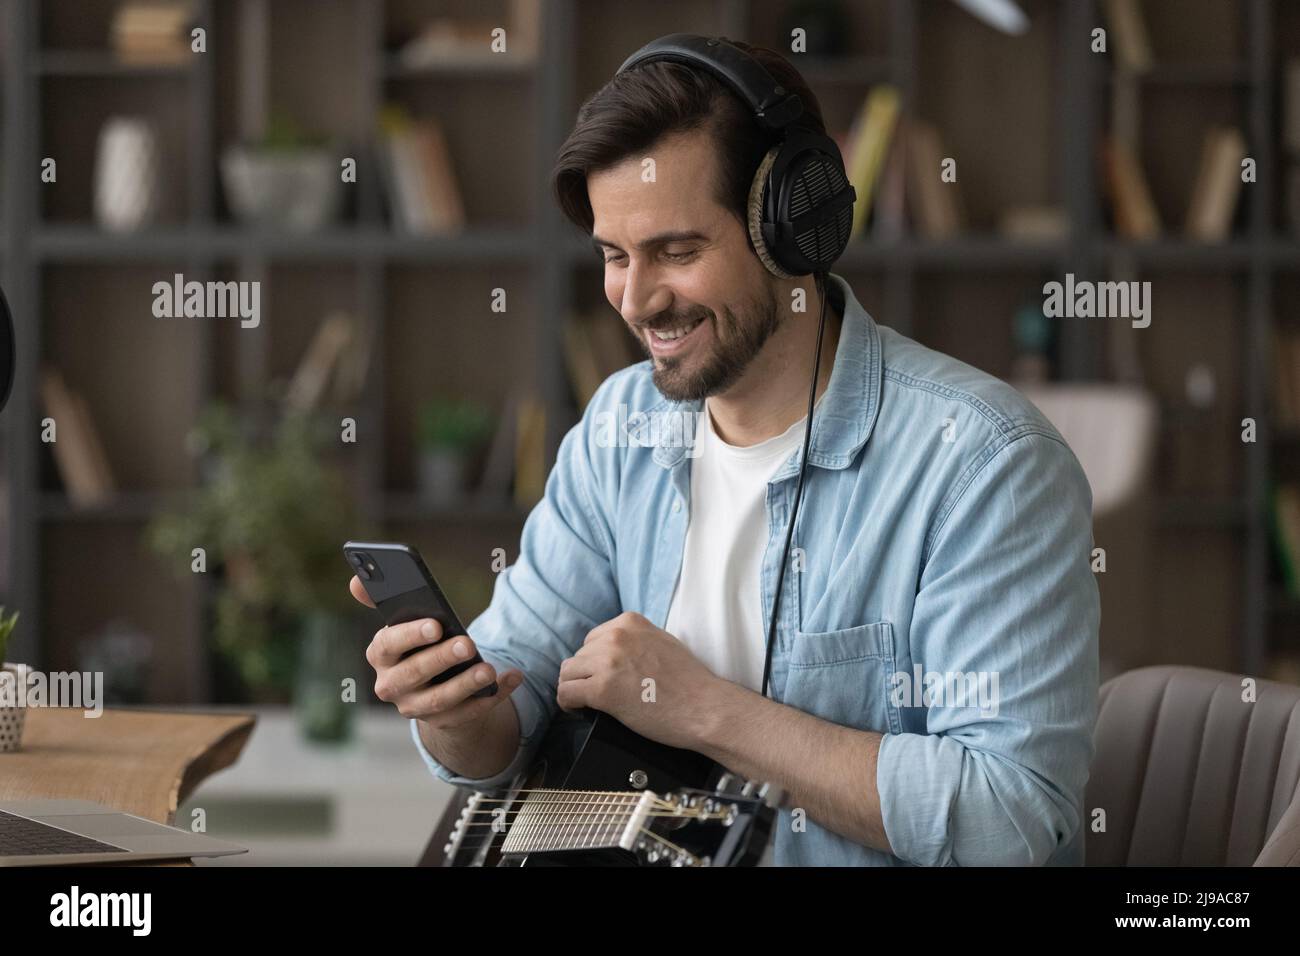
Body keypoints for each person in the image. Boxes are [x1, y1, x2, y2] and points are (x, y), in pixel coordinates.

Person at [351, 38, 1099, 866]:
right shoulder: (620, 427)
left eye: (677, 252)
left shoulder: (985, 464)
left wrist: (706, 709)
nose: (637, 301)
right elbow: (512, 689)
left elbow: (1010, 821)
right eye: (613, 256)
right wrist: (456, 715)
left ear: (793, 231)